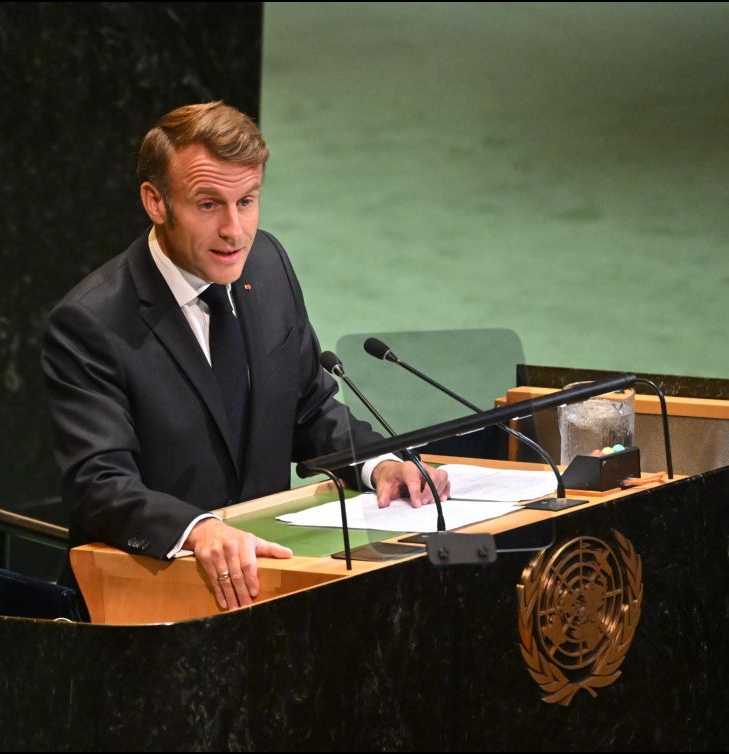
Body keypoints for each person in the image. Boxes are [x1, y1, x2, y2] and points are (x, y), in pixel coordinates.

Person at [42, 102, 450, 611]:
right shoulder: (92, 322)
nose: (235, 231)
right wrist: (198, 529)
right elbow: (99, 484)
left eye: (248, 201)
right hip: (145, 596)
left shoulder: (268, 265)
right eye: (208, 205)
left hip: (269, 582)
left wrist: (380, 465)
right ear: (155, 201)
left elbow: (309, 411)